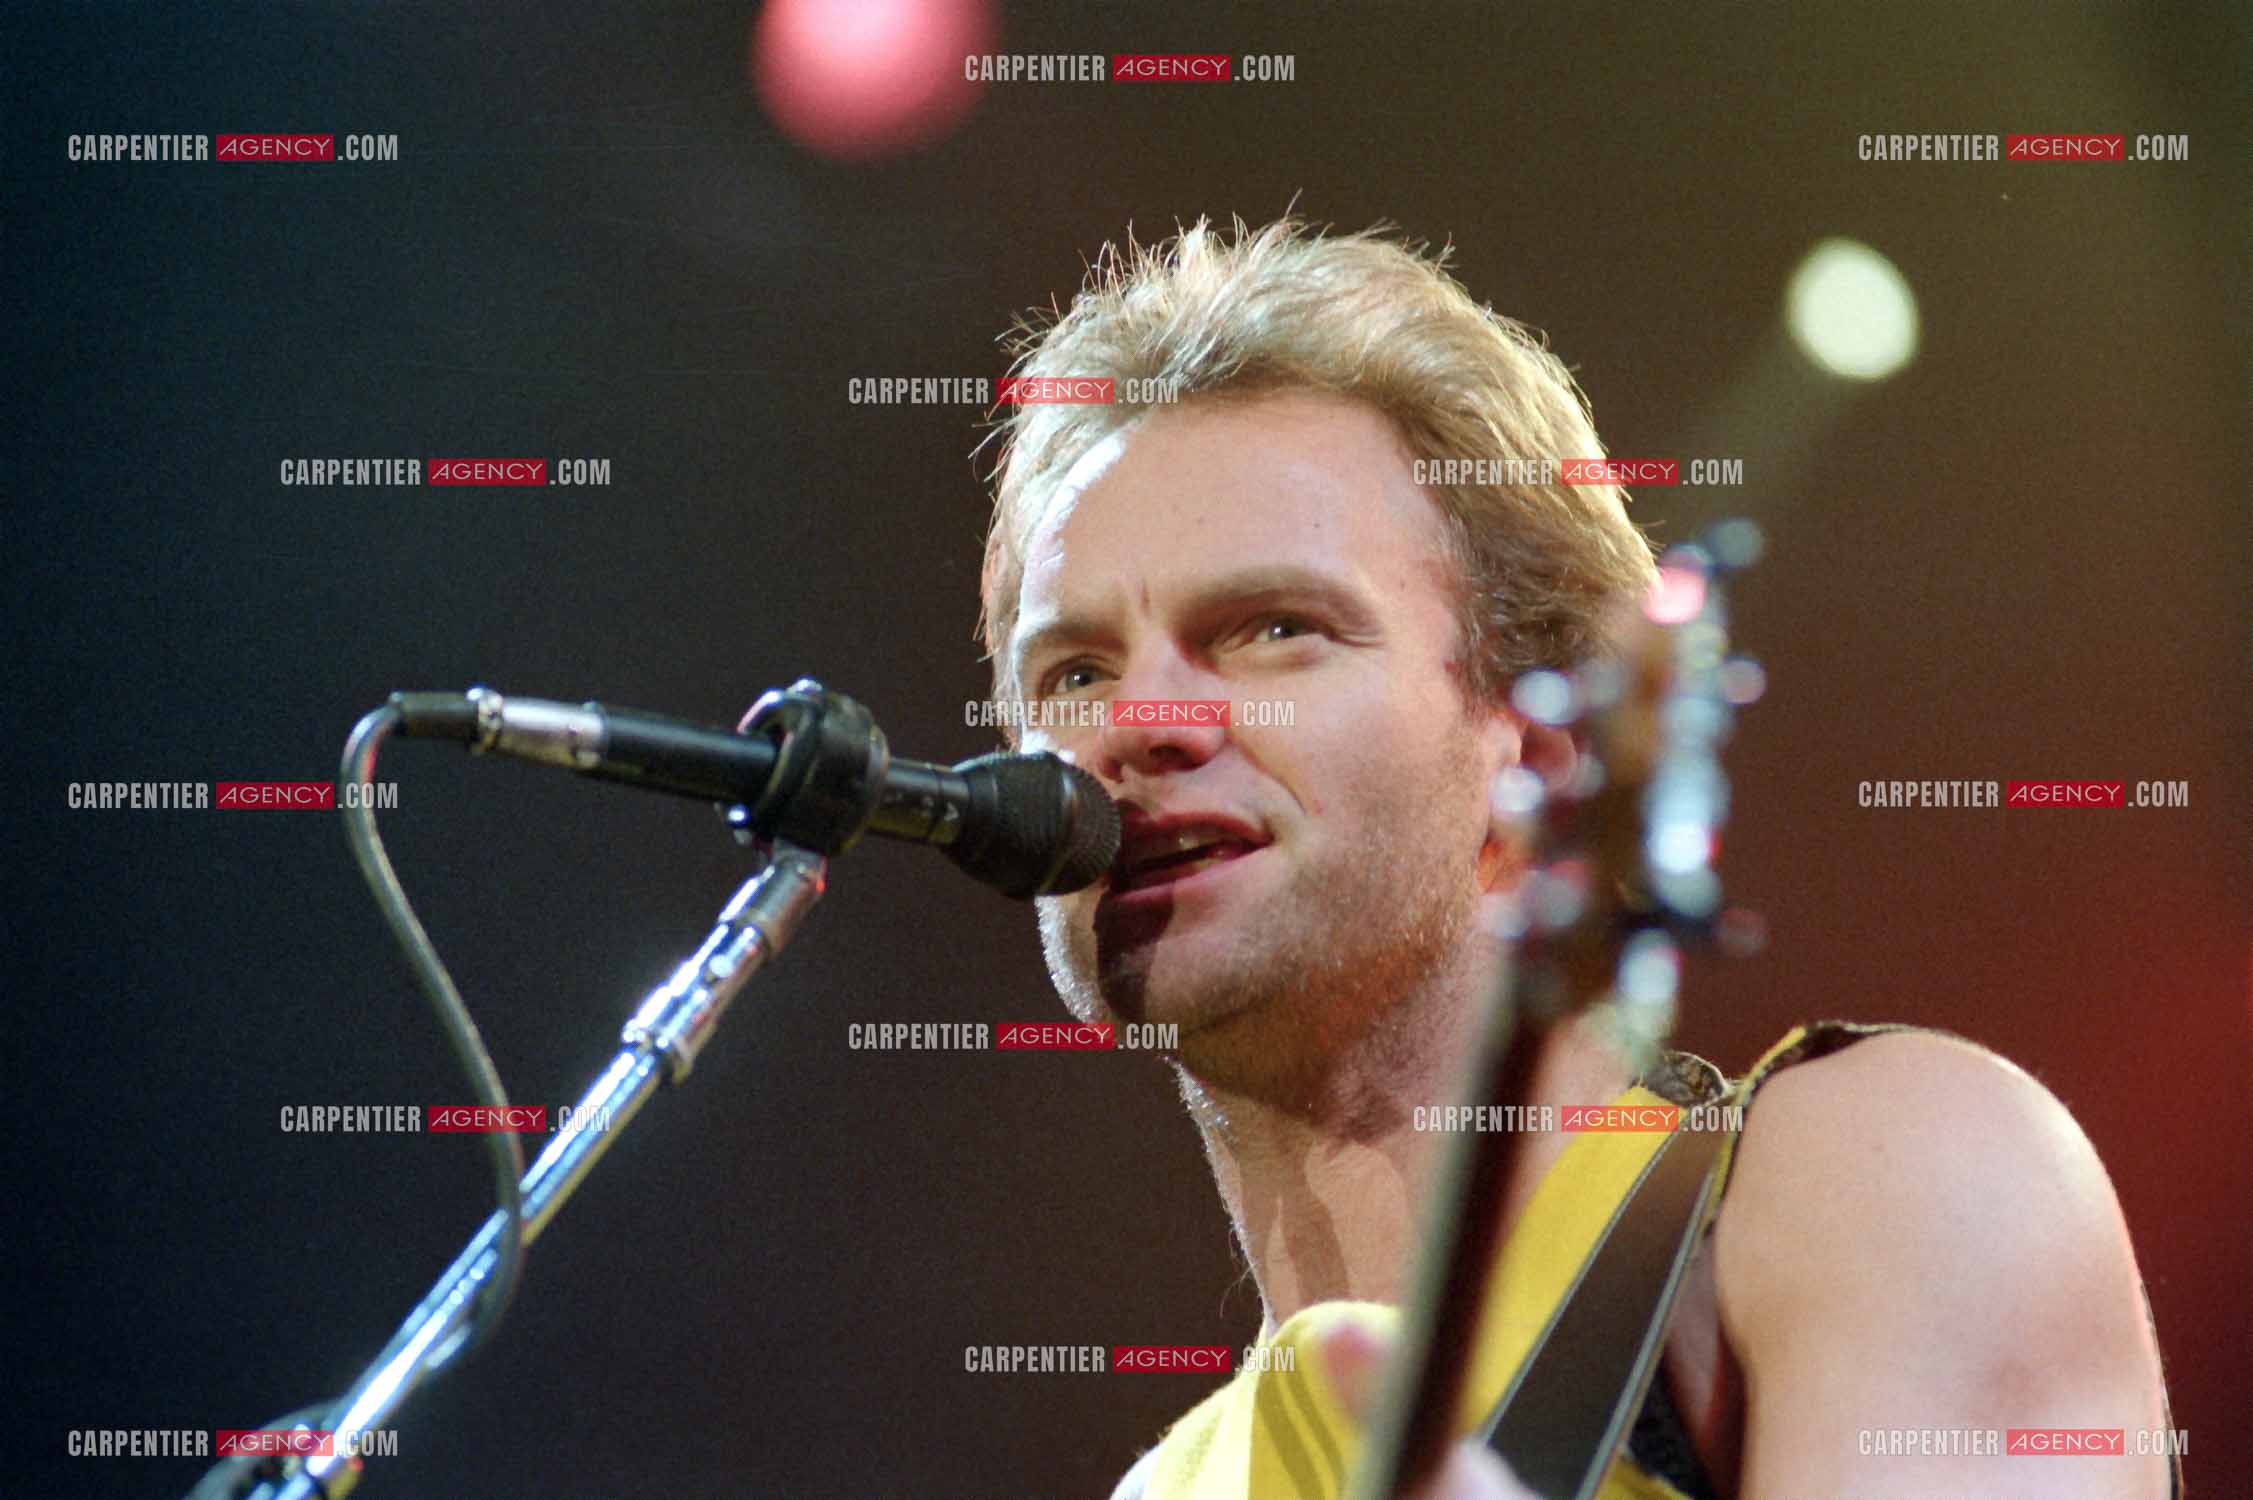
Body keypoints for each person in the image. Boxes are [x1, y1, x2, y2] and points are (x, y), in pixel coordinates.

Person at [974, 216, 2178, 1500]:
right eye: (1077, 670)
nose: (1141, 727)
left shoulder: (1884, 1173)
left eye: (1275, 628)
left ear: (1542, 748)